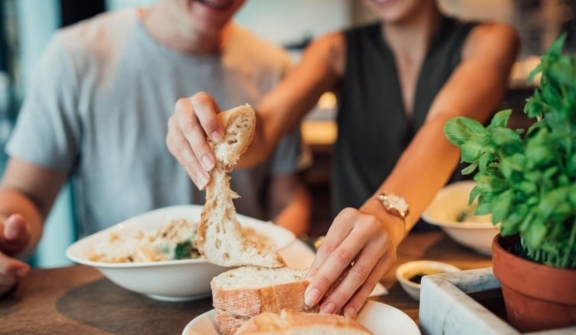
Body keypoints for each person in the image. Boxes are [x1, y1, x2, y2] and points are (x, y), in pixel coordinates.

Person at [166, 0, 519, 319]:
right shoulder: (334, 48)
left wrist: (384, 215)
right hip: (347, 270)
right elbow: (268, 126)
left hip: (458, 268)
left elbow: (447, 124)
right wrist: (214, 128)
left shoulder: (491, 39)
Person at [0, 0, 313, 296]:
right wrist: (8, 229)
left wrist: (278, 263)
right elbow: (26, 193)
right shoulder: (74, 55)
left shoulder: (275, 67)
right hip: (117, 296)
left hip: (239, 288)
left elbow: (287, 198)